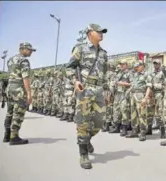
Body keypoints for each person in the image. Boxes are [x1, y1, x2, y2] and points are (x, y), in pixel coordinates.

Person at [67, 23, 108, 169]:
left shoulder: (103, 53)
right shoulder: (80, 48)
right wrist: (75, 80)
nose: (102, 34)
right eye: (99, 32)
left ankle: (87, 138)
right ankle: (83, 154)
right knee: (82, 121)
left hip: (98, 90)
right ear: (90, 33)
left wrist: (107, 91)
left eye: (102, 32)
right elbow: (70, 67)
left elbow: (105, 74)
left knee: (100, 121)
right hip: (84, 89)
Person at [3, 42, 35, 145]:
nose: (31, 52)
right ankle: (14, 137)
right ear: (23, 49)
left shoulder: (10, 60)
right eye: (29, 50)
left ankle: (7, 135)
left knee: (10, 112)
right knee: (18, 113)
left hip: (10, 88)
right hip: (18, 90)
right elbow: (25, 77)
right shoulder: (24, 61)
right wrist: (29, 93)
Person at [147, 59, 166, 139]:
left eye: (157, 64)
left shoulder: (162, 74)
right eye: (154, 64)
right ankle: (149, 129)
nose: (155, 65)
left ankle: (162, 131)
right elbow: (148, 84)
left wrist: (156, 86)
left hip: (159, 94)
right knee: (149, 112)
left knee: (159, 113)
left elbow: (165, 85)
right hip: (151, 94)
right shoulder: (150, 74)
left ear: (159, 65)